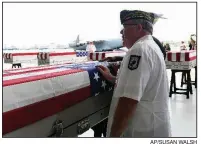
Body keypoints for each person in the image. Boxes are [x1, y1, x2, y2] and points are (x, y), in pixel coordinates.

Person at [96, 10, 171, 137]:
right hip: (152, 126)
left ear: (139, 27)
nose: (121, 32)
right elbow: (141, 84)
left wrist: (113, 136)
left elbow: (129, 102)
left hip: (140, 131)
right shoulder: (151, 46)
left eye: (125, 27)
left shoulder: (139, 50)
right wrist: (112, 78)